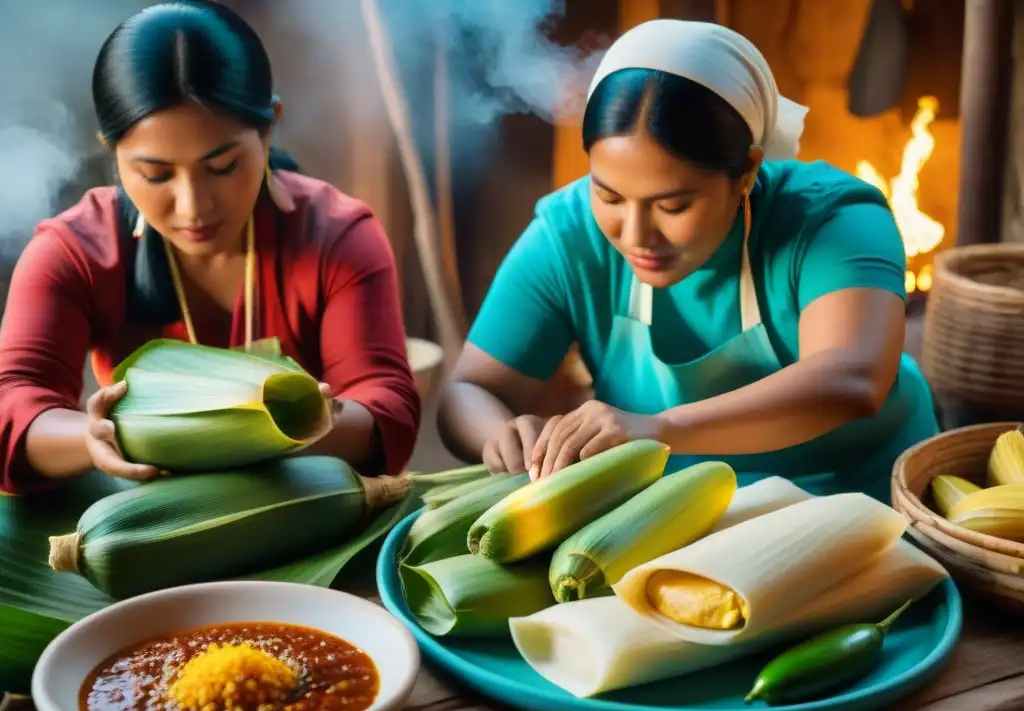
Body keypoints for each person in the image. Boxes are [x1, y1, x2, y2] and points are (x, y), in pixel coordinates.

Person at [437, 19, 938, 503]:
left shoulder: (833, 219)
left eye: (672, 206)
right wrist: (502, 436)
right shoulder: (568, 232)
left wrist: (658, 427)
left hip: (864, 502)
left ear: (746, 172)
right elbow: (468, 391)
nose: (635, 236)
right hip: (680, 513)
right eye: (608, 195)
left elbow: (851, 379)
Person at [0, 0, 420, 494]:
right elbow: (13, 404)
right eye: (155, 174)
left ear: (268, 128)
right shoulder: (74, 251)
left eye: (222, 167)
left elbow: (388, 409)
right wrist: (93, 439)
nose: (193, 206)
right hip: (146, 510)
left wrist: (303, 425)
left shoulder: (336, 237)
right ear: (112, 151)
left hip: (290, 502)